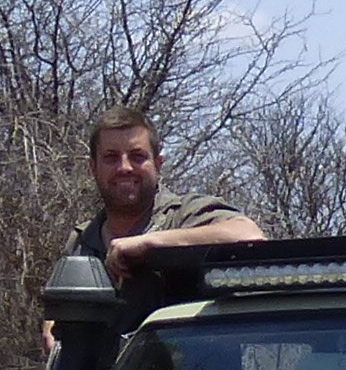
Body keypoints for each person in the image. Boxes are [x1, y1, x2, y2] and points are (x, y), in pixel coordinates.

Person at [86, 111, 267, 286]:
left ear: (158, 164)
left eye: (137, 157)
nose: (125, 167)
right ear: (93, 168)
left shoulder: (185, 214)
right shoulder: (82, 240)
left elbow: (248, 235)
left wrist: (151, 243)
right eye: (111, 157)